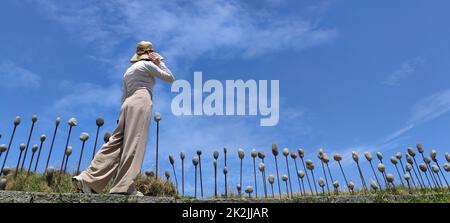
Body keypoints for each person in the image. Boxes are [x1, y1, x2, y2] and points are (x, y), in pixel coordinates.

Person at [73, 41, 175, 196]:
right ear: (149, 54)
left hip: (127, 105)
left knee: (115, 143)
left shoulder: (128, 71)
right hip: (141, 101)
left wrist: (123, 115)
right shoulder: (147, 66)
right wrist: (159, 62)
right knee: (135, 142)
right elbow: (169, 77)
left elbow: (123, 96)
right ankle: (124, 187)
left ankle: (88, 179)